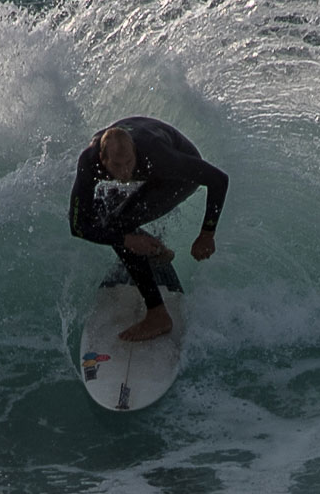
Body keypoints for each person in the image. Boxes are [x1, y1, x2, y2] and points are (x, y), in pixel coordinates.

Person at [68, 116, 228, 342]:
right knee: (102, 212)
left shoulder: (157, 156)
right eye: (117, 165)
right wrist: (127, 241)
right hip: (148, 164)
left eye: (128, 163)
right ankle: (154, 251)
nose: (124, 172)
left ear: (135, 152)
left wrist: (207, 234)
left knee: (119, 223)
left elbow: (218, 179)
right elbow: (78, 226)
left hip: (177, 175)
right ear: (103, 160)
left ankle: (158, 315)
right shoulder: (88, 161)